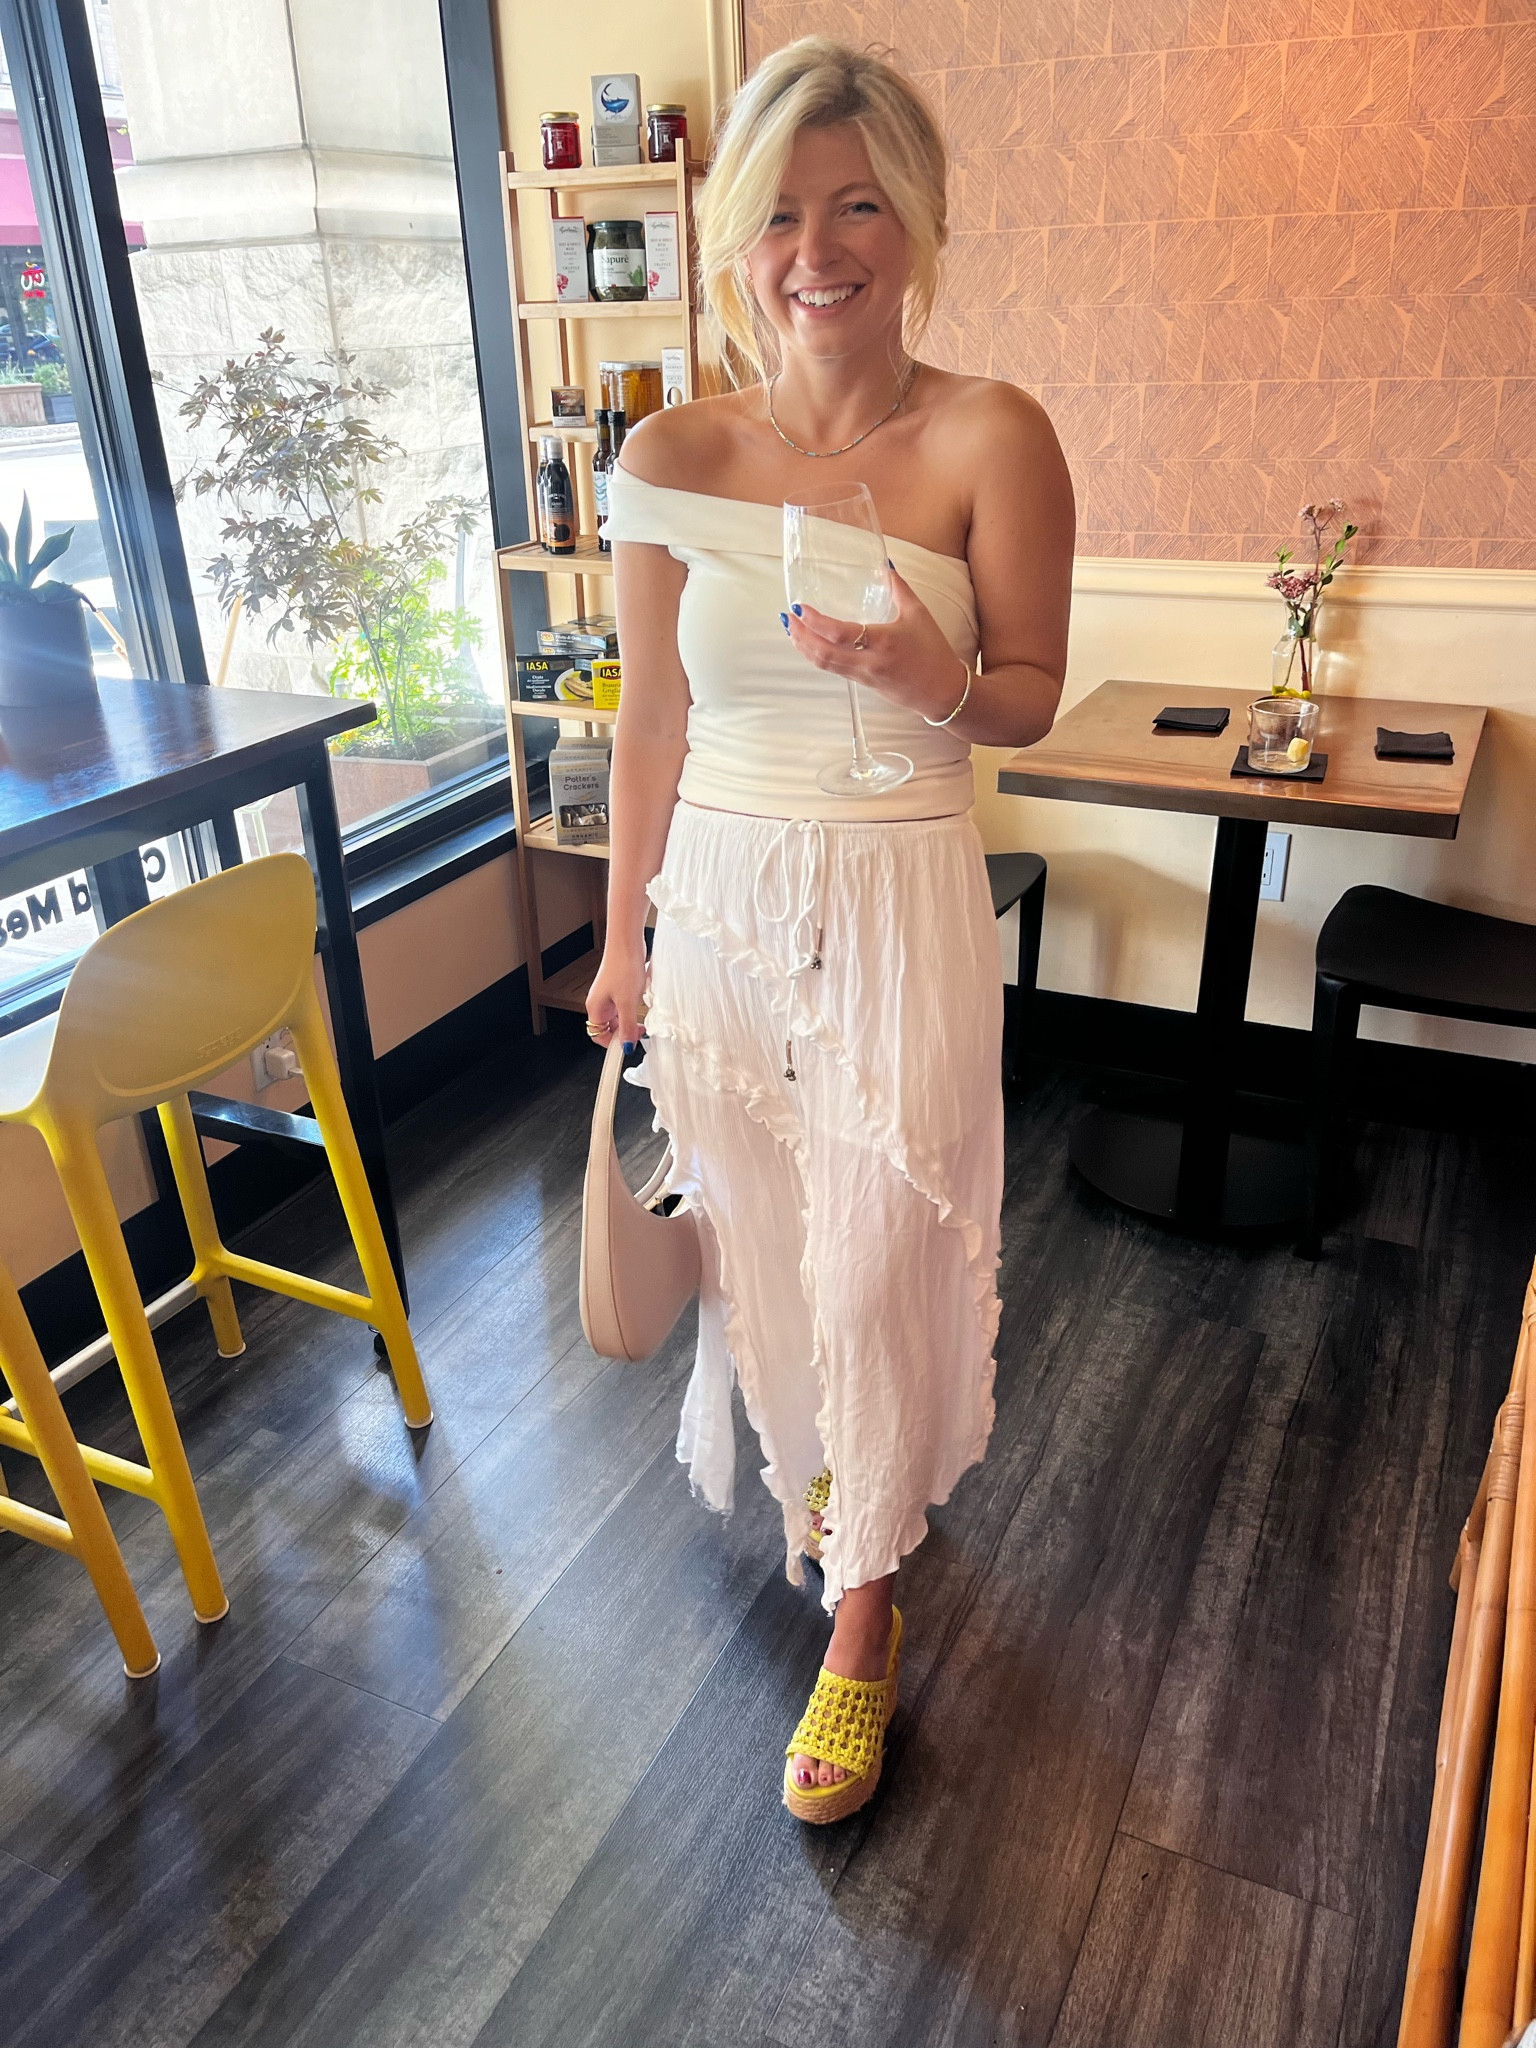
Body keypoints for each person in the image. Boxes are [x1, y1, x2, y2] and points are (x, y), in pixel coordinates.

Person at [587, 37, 1074, 1823]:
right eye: (783, 211)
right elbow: (649, 721)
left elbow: (1029, 694)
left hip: (899, 891)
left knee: (878, 1251)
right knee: (769, 1247)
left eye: (858, 204)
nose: (819, 249)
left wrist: (939, 677)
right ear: (738, 236)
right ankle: (834, 1494)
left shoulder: (991, 434)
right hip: (716, 901)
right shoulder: (669, 451)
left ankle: (862, 1619)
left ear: (915, 223)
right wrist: (624, 940)